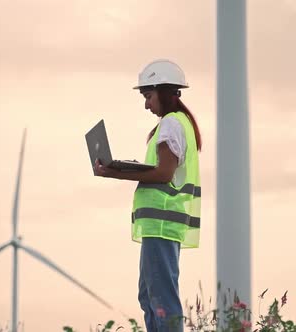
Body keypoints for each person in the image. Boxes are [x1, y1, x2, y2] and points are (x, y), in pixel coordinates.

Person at [94, 59, 202, 332]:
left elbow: (164, 173)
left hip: (162, 224)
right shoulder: (179, 123)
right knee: (150, 296)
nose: (146, 104)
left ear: (165, 92)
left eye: (148, 96)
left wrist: (117, 173)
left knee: (161, 298)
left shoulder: (171, 125)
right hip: (163, 225)